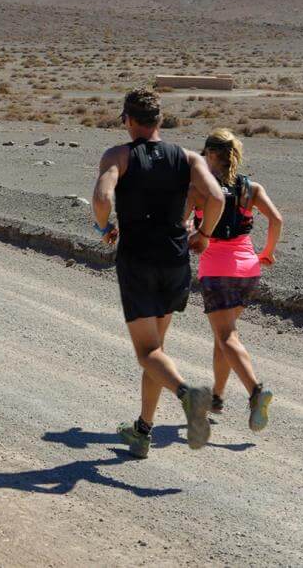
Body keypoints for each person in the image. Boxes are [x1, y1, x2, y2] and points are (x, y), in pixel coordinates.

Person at [92, 89, 227, 459]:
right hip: (175, 259)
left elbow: (103, 198)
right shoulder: (187, 157)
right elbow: (217, 198)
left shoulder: (118, 155)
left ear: (127, 120)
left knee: (147, 351)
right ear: (160, 122)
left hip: (138, 260)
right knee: (157, 351)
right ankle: (142, 431)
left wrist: (104, 228)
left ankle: (189, 396)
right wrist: (204, 234)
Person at [188, 128, 283, 433]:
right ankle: (217, 396)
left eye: (204, 153)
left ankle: (256, 391)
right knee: (224, 335)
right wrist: (266, 252)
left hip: (217, 269)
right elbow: (277, 220)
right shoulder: (251, 188)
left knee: (227, 336)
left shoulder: (201, 189)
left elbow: (182, 223)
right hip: (248, 269)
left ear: (211, 155)